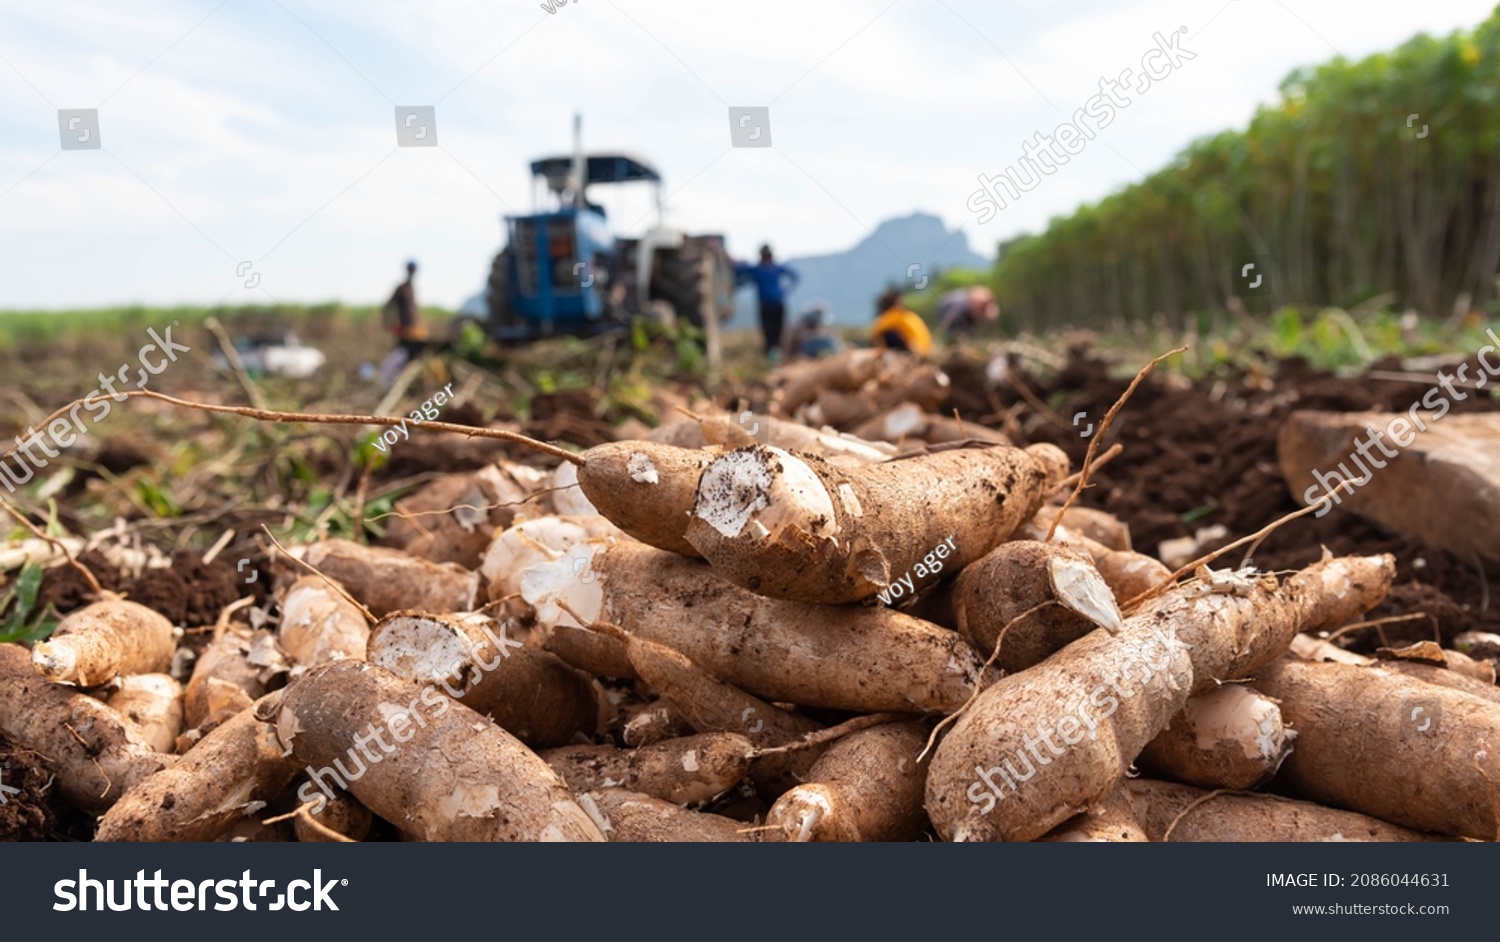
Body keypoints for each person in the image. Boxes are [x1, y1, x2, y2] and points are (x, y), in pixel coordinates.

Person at [734, 244, 799, 364]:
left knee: (778, 333)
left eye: (768, 256)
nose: (766, 258)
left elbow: (795, 275)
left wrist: (785, 291)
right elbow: (739, 270)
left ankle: (779, 359)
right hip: (765, 306)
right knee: (768, 333)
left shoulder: (777, 268)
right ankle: (771, 360)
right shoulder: (757, 270)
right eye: (764, 256)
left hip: (778, 305)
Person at [378, 260, 429, 385]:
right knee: (401, 355)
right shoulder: (401, 288)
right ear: (407, 270)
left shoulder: (412, 288)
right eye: (411, 270)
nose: (412, 273)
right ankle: (390, 381)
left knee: (417, 355)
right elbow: (387, 307)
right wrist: (390, 324)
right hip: (405, 330)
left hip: (415, 329)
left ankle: (411, 382)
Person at [871, 287, 933, 356]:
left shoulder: (893, 314)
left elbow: (876, 332)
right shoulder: (910, 315)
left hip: (917, 351)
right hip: (927, 350)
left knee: (888, 334)